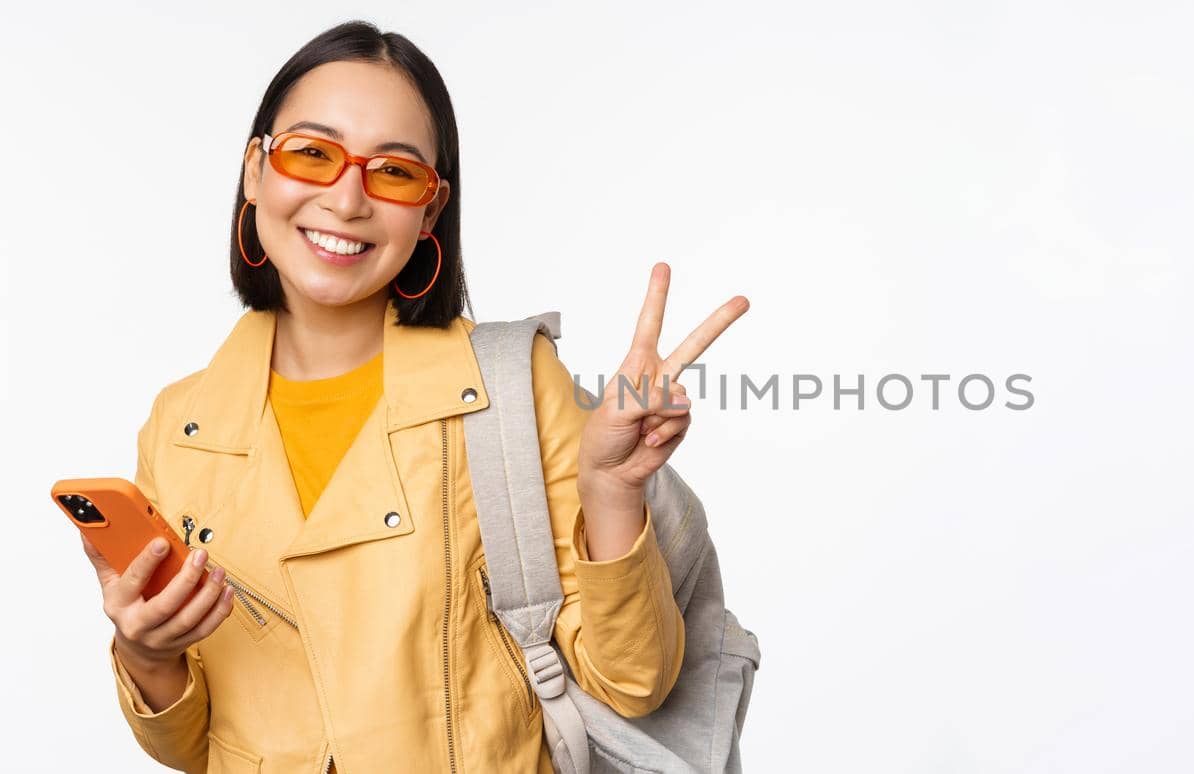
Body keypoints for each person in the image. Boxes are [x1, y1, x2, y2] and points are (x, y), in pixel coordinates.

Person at [78, 20, 748, 773]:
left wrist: (614, 488)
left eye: (393, 172)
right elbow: (191, 746)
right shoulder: (180, 427)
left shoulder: (510, 387)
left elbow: (632, 685)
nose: (347, 198)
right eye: (312, 153)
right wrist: (145, 650)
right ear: (256, 171)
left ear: (430, 211)